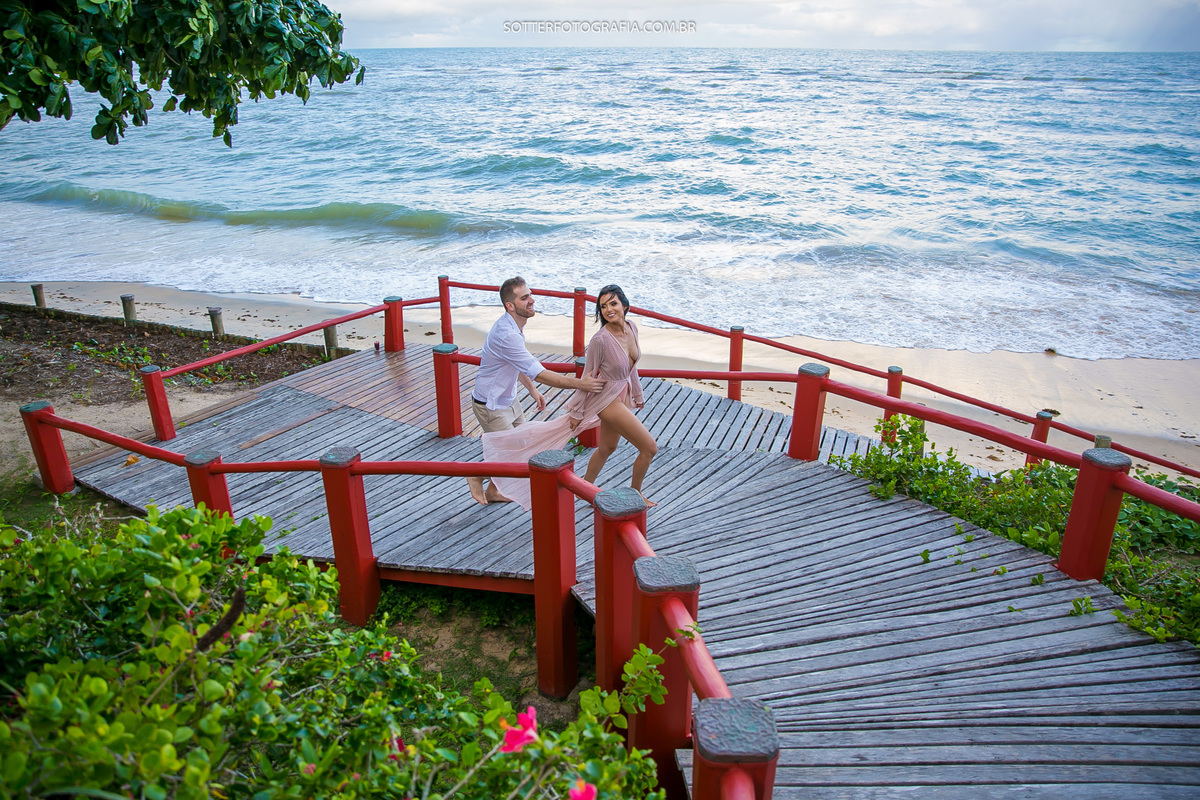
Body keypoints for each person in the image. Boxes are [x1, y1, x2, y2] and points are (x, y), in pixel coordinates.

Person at [484, 284, 658, 509]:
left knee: (607, 448)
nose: (608, 310)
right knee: (649, 448)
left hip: (622, 395)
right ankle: (637, 494)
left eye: (613, 304)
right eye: (603, 306)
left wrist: (637, 393)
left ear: (625, 305)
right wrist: (576, 411)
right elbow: (588, 376)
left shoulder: (631, 328)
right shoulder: (600, 340)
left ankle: (582, 491)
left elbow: (631, 368)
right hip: (606, 401)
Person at [467, 277, 601, 505]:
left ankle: (493, 491)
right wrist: (581, 384)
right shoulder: (507, 334)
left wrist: (532, 390)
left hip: (509, 399)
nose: (532, 300)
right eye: (524, 297)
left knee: (524, 446)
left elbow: (516, 364)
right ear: (510, 305)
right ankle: (476, 474)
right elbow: (538, 372)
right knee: (510, 454)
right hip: (491, 405)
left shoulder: (513, 326)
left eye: (530, 295)